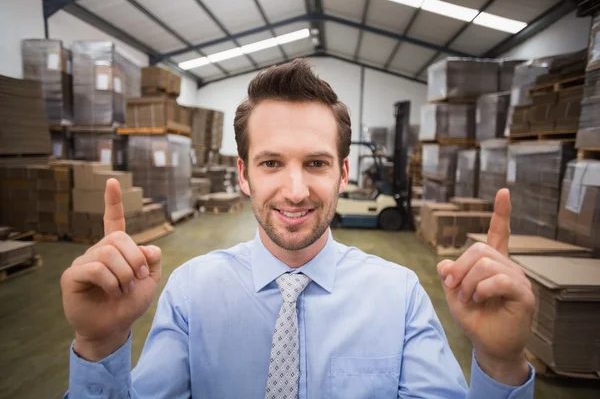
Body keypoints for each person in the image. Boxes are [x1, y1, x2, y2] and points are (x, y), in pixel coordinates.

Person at [62, 59, 535, 398]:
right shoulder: (192, 294)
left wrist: (498, 365)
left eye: (315, 163)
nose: (294, 190)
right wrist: (100, 347)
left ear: (343, 173)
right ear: (244, 174)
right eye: (271, 163)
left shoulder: (398, 295)